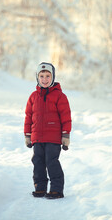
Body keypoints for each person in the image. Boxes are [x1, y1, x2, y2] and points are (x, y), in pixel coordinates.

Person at [24, 62, 72, 199]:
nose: (45, 79)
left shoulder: (59, 96)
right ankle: (40, 187)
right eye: (42, 76)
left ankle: (56, 189)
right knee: (38, 161)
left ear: (53, 77)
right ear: (37, 77)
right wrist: (27, 135)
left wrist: (66, 135)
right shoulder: (33, 97)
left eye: (48, 76)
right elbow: (28, 117)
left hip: (54, 137)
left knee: (52, 162)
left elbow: (66, 117)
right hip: (37, 137)